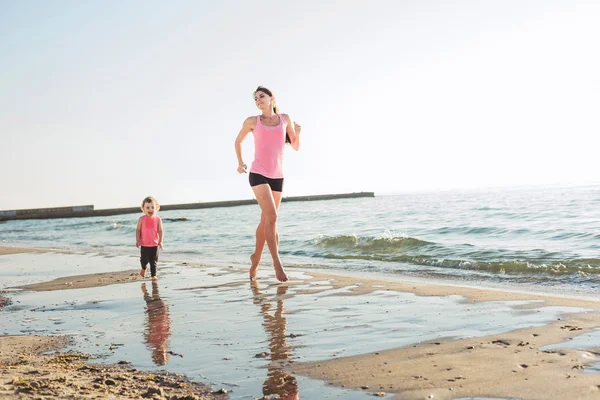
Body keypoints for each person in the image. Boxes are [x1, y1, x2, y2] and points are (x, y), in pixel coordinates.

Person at [234, 86, 301, 282]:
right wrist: (240, 162)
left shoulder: (284, 119)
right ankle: (276, 263)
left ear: (272, 98)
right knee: (272, 216)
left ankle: (255, 260)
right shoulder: (252, 121)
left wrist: (297, 133)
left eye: (262, 96)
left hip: (277, 176)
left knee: (266, 221)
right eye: (256, 98)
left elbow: (295, 146)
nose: (258, 100)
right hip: (258, 173)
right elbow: (238, 141)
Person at [141, 282, 171, 365]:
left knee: (150, 300)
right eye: (162, 353)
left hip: (154, 319)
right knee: (156, 296)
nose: (161, 351)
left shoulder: (150, 343)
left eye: (160, 353)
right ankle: (151, 286)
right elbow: (168, 327)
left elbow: (147, 329)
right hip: (161, 316)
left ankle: (145, 290)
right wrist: (168, 313)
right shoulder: (165, 341)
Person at [136, 196, 164, 281]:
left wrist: (160, 241)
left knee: (153, 261)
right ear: (143, 209)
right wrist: (138, 240)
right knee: (144, 260)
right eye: (147, 207)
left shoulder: (158, 219)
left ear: (157, 208)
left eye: (152, 207)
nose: (150, 209)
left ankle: (153, 275)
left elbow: (160, 230)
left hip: (154, 244)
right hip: (144, 244)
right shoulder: (141, 219)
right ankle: (143, 268)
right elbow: (138, 230)